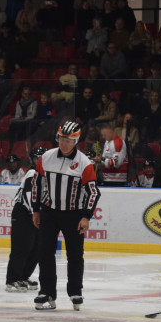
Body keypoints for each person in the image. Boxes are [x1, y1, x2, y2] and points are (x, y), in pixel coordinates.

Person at [31, 120, 101, 311]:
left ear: (76, 141)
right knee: (44, 253)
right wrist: (36, 210)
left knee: (75, 255)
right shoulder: (46, 157)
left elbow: (93, 192)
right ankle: (47, 292)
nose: (63, 143)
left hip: (74, 215)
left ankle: (75, 292)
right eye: (61, 138)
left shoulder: (85, 164)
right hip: (49, 212)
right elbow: (37, 185)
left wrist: (86, 216)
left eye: (68, 140)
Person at [6, 146, 45, 292]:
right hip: (23, 213)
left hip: (35, 215)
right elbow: (29, 197)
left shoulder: (45, 176)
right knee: (21, 248)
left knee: (35, 249)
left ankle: (23, 276)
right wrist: (37, 213)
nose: (40, 161)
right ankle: (12, 279)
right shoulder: (32, 173)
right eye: (37, 158)